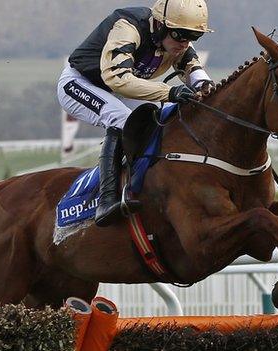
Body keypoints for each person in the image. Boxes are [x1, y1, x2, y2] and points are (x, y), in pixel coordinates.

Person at [57, 0, 214, 226]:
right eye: (181, 35)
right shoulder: (128, 28)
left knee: (157, 118)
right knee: (121, 119)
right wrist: (170, 92)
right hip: (79, 83)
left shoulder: (171, 39)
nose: (185, 43)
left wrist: (204, 85)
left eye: (194, 37)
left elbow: (191, 65)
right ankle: (106, 200)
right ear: (160, 24)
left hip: (113, 90)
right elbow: (118, 79)